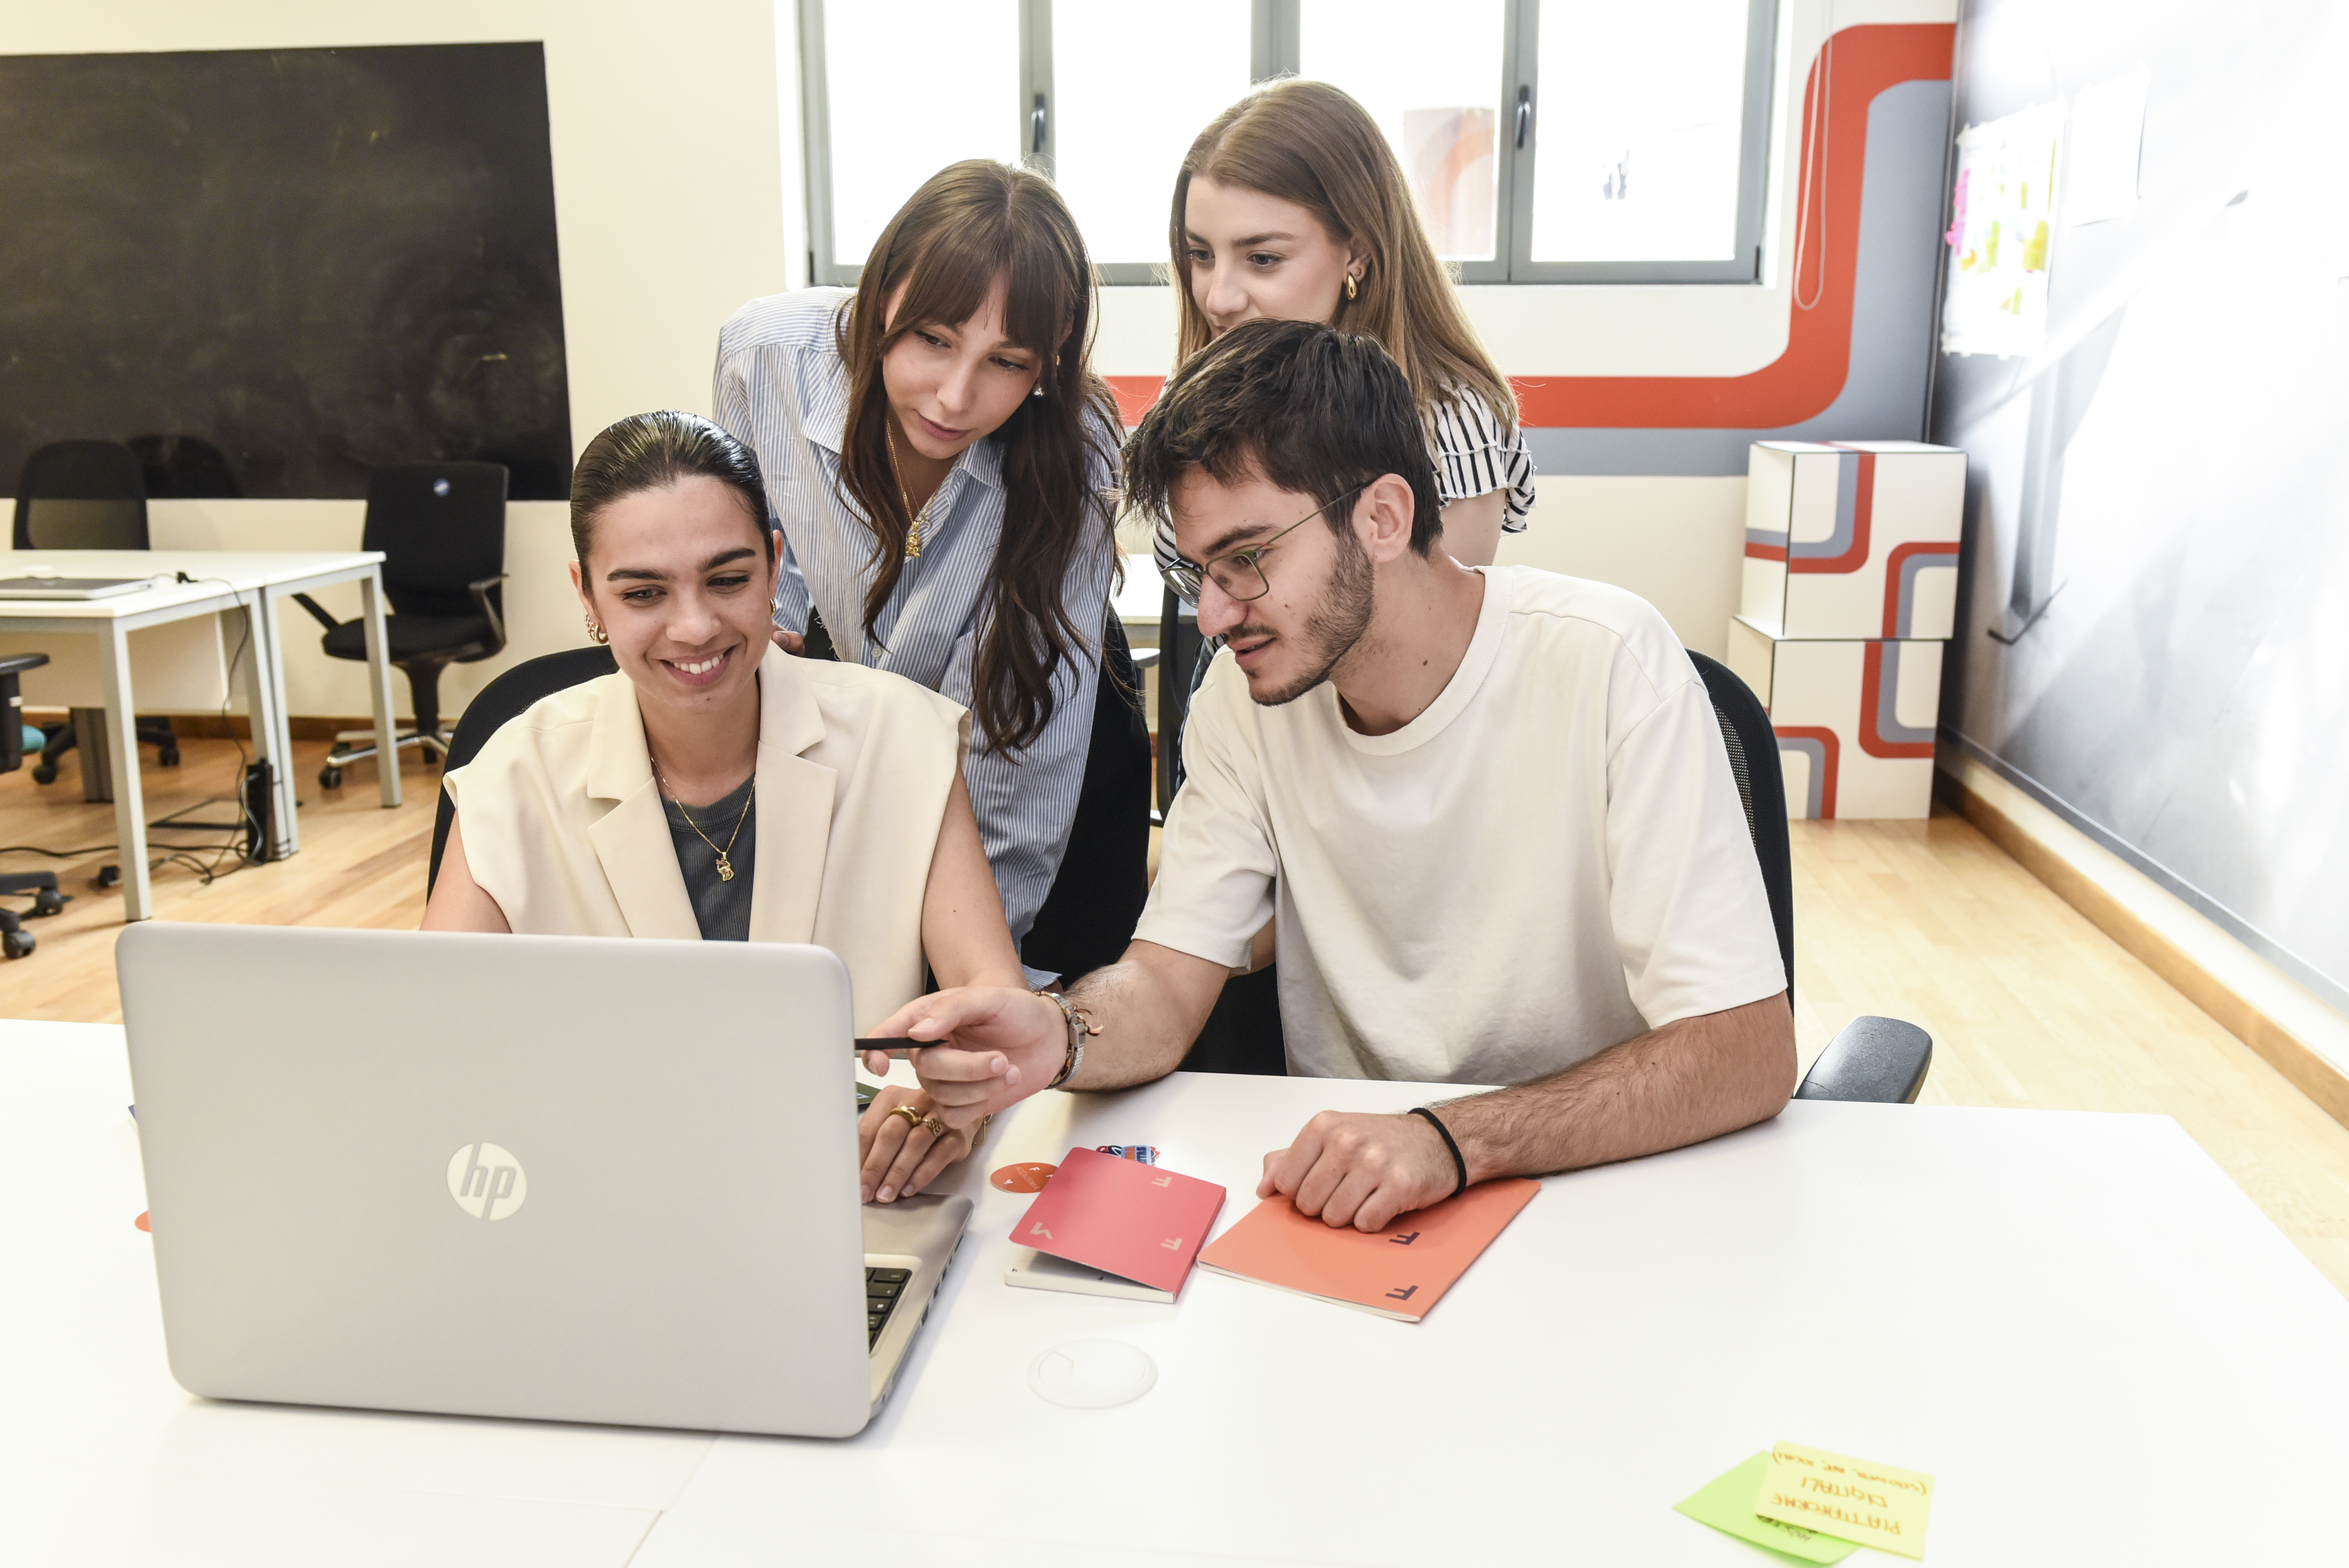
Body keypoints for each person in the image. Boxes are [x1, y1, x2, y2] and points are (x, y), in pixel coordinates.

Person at [863, 321, 1795, 1232]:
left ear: (1383, 516)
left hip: (1595, 1193)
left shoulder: (1607, 661)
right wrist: (1056, 1031)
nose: (1218, 614)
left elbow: (1744, 1049)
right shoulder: (1244, 696)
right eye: (1201, 572)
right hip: (1347, 1210)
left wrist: (1448, 1138)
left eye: (1250, 557)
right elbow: (1164, 982)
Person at [425, 410, 1017, 1205]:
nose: (694, 626)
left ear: (775, 567)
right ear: (587, 595)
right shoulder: (513, 774)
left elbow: (994, 1004)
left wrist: (943, 1101)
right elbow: (435, 1053)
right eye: (642, 592)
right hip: (604, 1203)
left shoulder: (898, 734)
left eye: (728, 578)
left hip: (853, 1199)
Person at [713, 161, 1142, 989]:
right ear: (879, 300)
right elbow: (758, 531)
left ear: (1047, 364)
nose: (954, 396)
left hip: (1049, 712)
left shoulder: (1075, 448)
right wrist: (778, 618)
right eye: (932, 340)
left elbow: (1013, 775)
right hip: (866, 683)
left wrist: (972, 986)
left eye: (1006, 362)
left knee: (1036, 1019)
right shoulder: (763, 355)